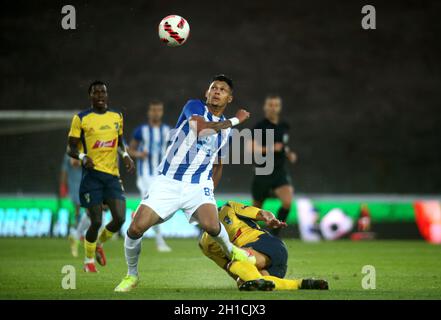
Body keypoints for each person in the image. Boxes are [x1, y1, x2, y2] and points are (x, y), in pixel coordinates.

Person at [114, 75, 254, 292]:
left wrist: (209, 192)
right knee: (135, 228)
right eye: (213, 88)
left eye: (222, 89)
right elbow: (200, 129)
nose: (217, 91)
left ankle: (233, 251)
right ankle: (131, 275)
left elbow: (218, 164)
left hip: (198, 186)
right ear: (207, 93)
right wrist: (236, 120)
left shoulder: (227, 133)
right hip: (168, 182)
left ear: (230, 98)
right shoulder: (194, 106)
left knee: (211, 225)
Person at [67, 80, 135, 272]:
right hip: (92, 177)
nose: (100, 96)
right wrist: (82, 156)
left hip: (112, 176)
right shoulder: (81, 118)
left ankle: (99, 244)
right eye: (96, 93)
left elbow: (120, 142)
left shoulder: (116, 116)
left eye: (103, 92)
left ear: (107, 95)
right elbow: (70, 148)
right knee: (96, 221)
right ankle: (88, 261)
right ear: (90, 96)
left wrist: (126, 155)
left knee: (120, 218)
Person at [199, 201, 329, 291]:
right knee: (245, 282)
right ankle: (301, 284)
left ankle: (249, 268)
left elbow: (263, 213)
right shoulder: (205, 244)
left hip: (266, 244)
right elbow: (230, 270)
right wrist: (243, 277)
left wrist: (270, 218)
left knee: (237, 260)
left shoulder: (229, 208)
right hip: (272, 267)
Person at [250, 95, 297, 236]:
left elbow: (283, 146)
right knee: (255, 210)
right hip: (263, 172)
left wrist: (289, 154)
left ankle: (274, 235)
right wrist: (271, 148)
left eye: (276, 105)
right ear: (265, 107)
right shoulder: (259, 127)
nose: (273, 108)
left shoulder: (284, 126)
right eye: (270, 105)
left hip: (279, 172)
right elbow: (252, 149)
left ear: (279, 107)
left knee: (287, 202)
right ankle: (248, 235)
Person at [129, 100, 172, 252]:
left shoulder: (168, 130)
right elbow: (130, 150)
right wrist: (139, 154)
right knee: (154, 207)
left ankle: (135, 220)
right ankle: (159, 242)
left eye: (159, 110)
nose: (156, 113)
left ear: (162, 112)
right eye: (153, 110)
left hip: (162, 176)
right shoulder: (141, 131)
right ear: (149, 112)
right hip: (145, 175)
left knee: (162, 209)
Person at [60, 154, 82, 257]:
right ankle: (76, 232)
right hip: (75, 185)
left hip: (84, 183)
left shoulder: (86, 151)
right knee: (78, 209)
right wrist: (63, 186)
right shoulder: (69, 155)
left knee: (83, 210)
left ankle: (77, 232)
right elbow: (65, 170)